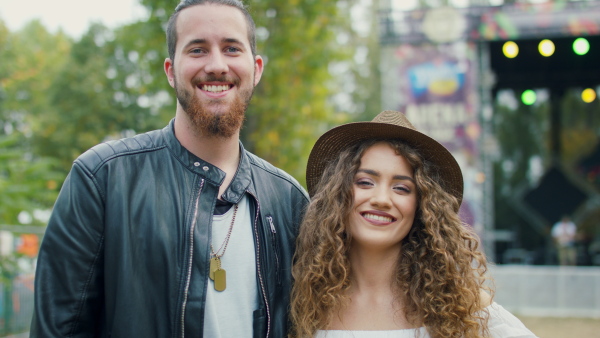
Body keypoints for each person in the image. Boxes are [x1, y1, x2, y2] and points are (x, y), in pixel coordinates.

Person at [30, 1, 309, 337]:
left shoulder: (290, 200)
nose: (217, 65)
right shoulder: (102, 179)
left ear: (257, 68)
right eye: (197, 49)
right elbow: (58, 329)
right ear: (171, 70)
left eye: (232, 48)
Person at [291, 111, 537, 338]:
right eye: (365, 182)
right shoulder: (302, 303)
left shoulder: (463, 307)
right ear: (338, 194)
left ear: (423, 207)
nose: (381, 199)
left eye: (401, 188)